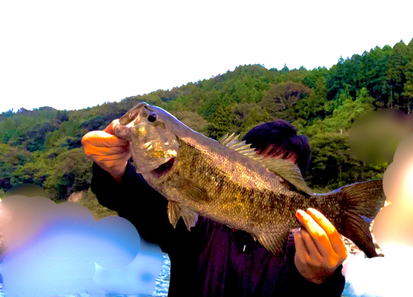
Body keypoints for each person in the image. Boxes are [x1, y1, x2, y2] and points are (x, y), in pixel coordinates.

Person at [82, 119, 347, 296]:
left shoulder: (299, 253)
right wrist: (115, 172)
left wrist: (320, 279)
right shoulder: (196, 225)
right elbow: (143, 206)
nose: (261, 182)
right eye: (254, 168)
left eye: (278, 176)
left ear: (297, 185)